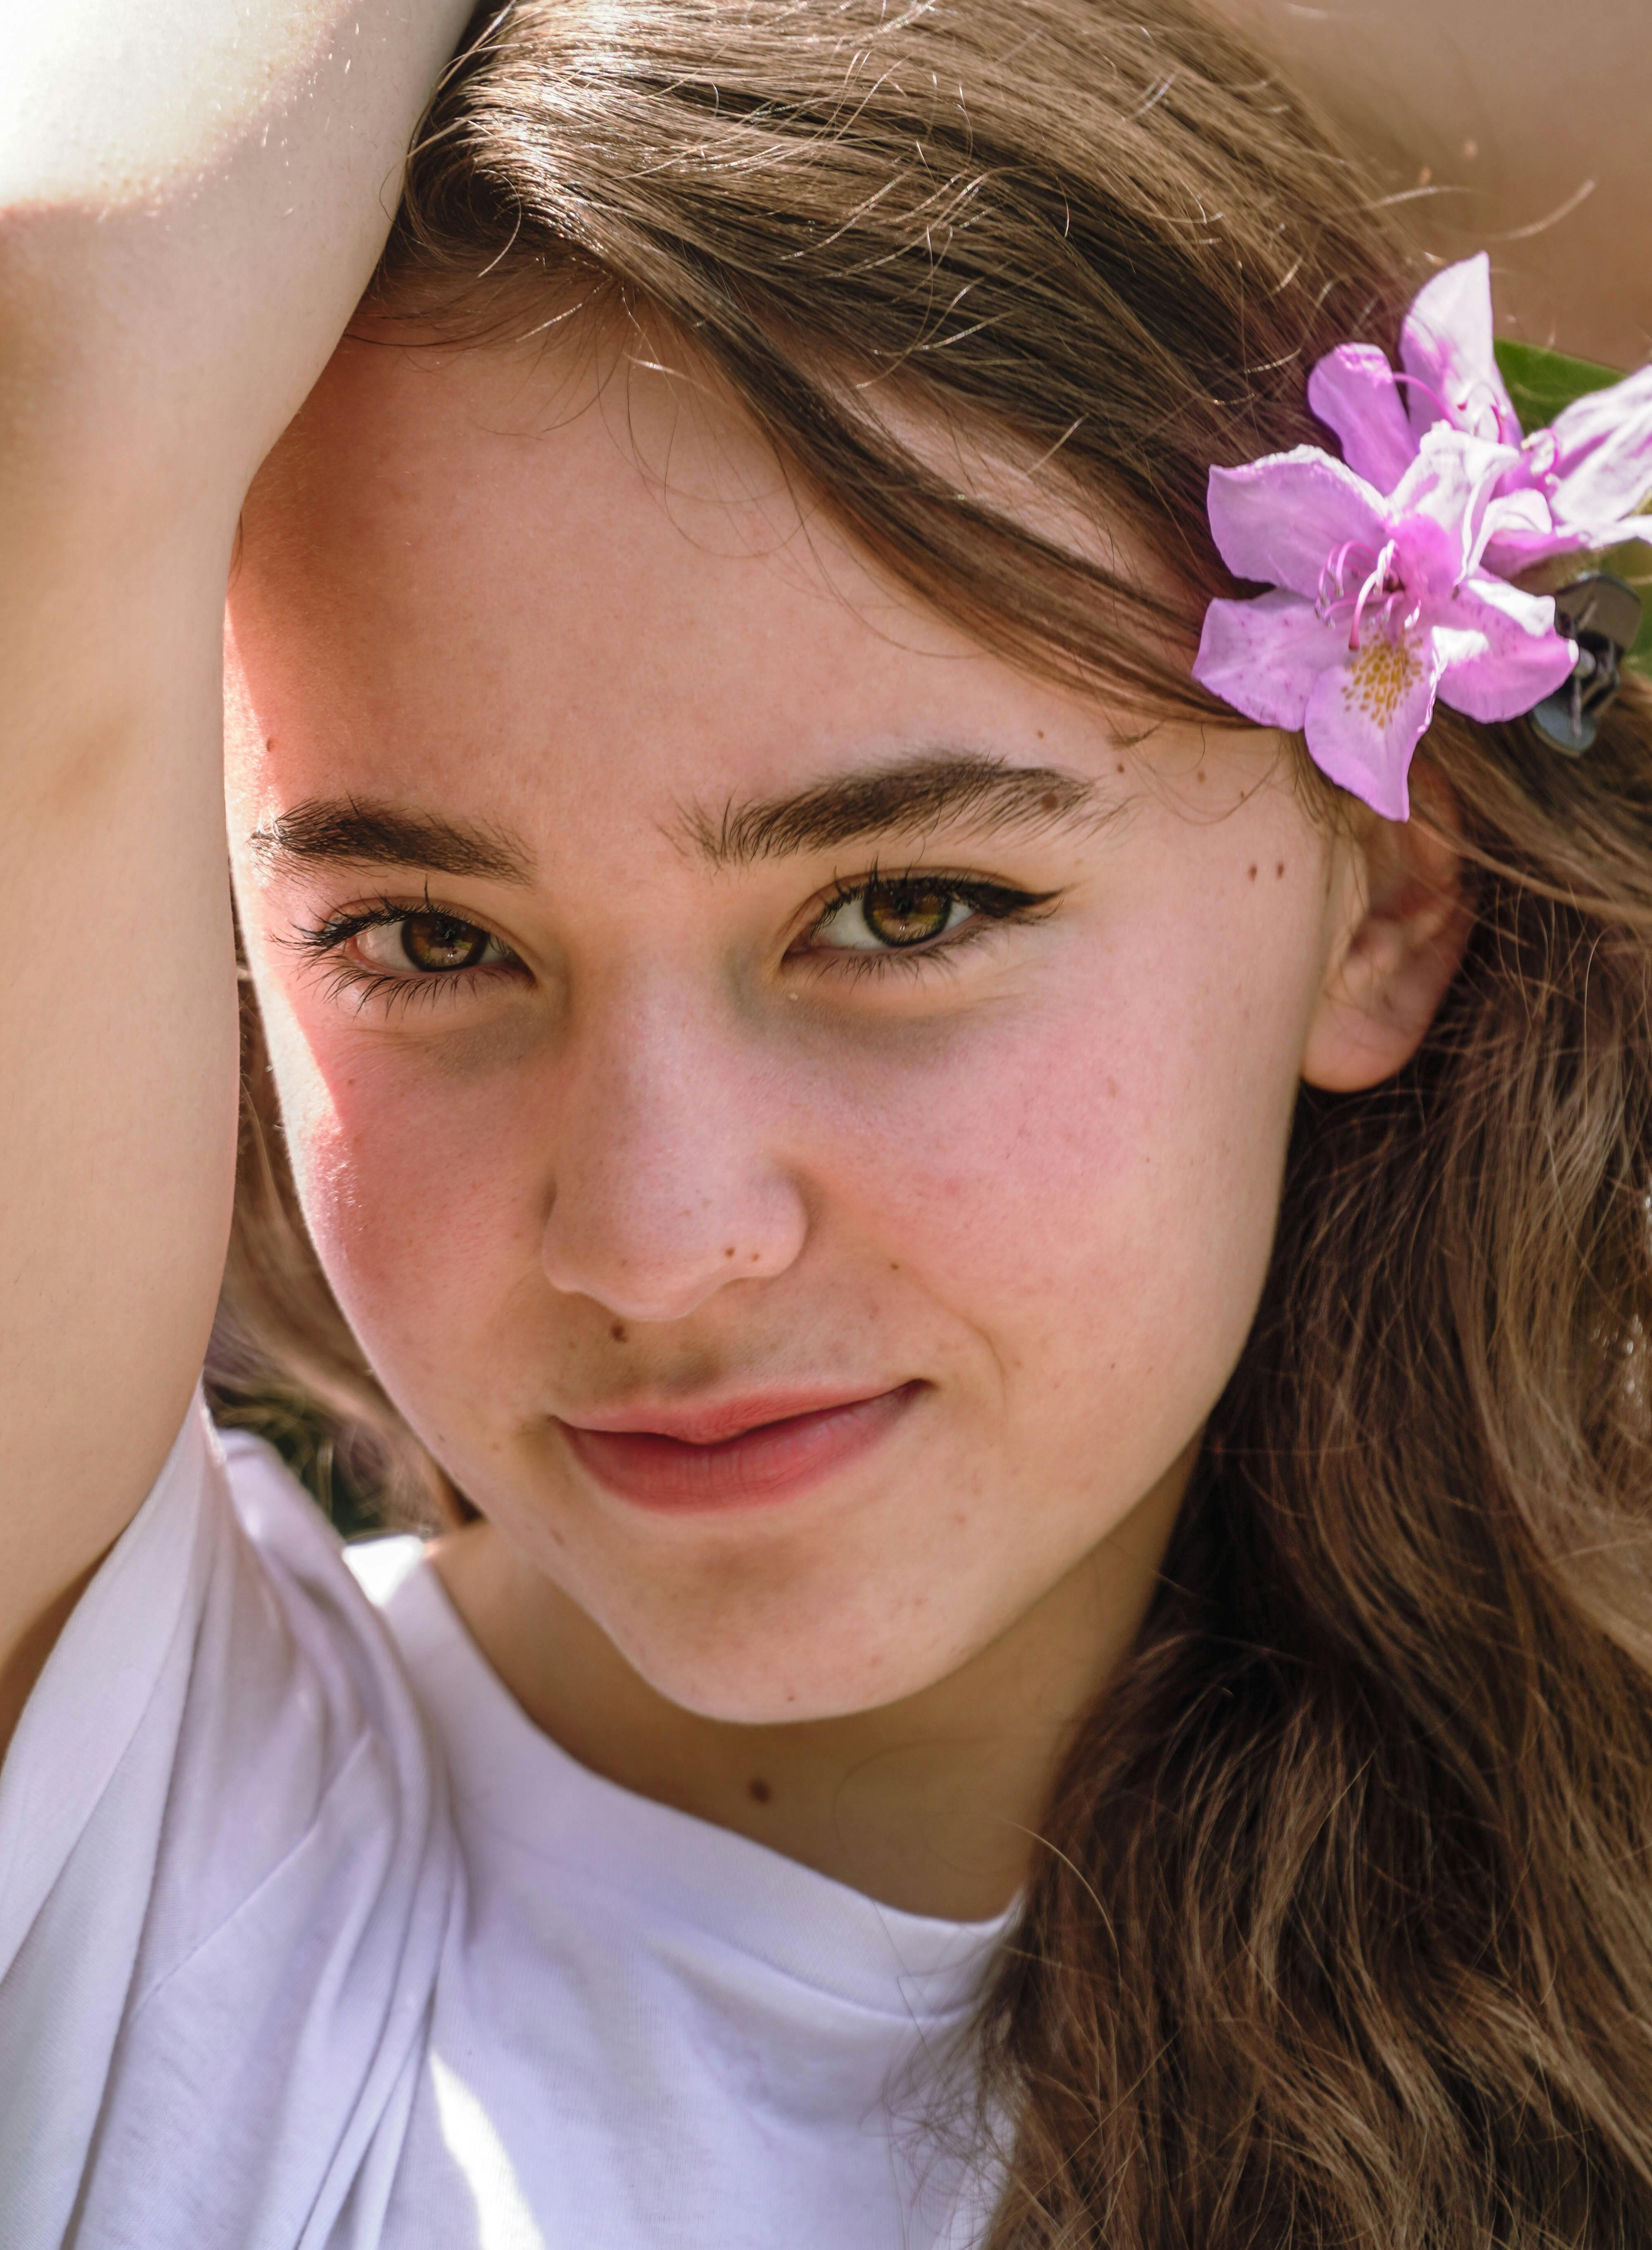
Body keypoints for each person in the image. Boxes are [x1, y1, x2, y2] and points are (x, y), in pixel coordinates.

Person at [2, 0, 1651, 2244]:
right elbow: (58, 331)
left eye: (903, 908)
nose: (657, 1239)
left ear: (1384, 899)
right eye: (428, 941)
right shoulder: (137, 1862)